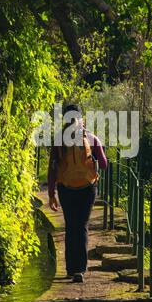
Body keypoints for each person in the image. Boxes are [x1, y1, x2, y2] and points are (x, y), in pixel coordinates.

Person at [47, 104, 107, 283]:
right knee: (82, 226)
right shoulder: (91, 137)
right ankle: (79, 270)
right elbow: (103, 164)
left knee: (71, 226)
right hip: (87, 189)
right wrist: (95, 156)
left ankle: (70, 269)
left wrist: (51, 194)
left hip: (66, 189)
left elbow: (52, 169)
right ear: (82, 119)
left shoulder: (59, 139)